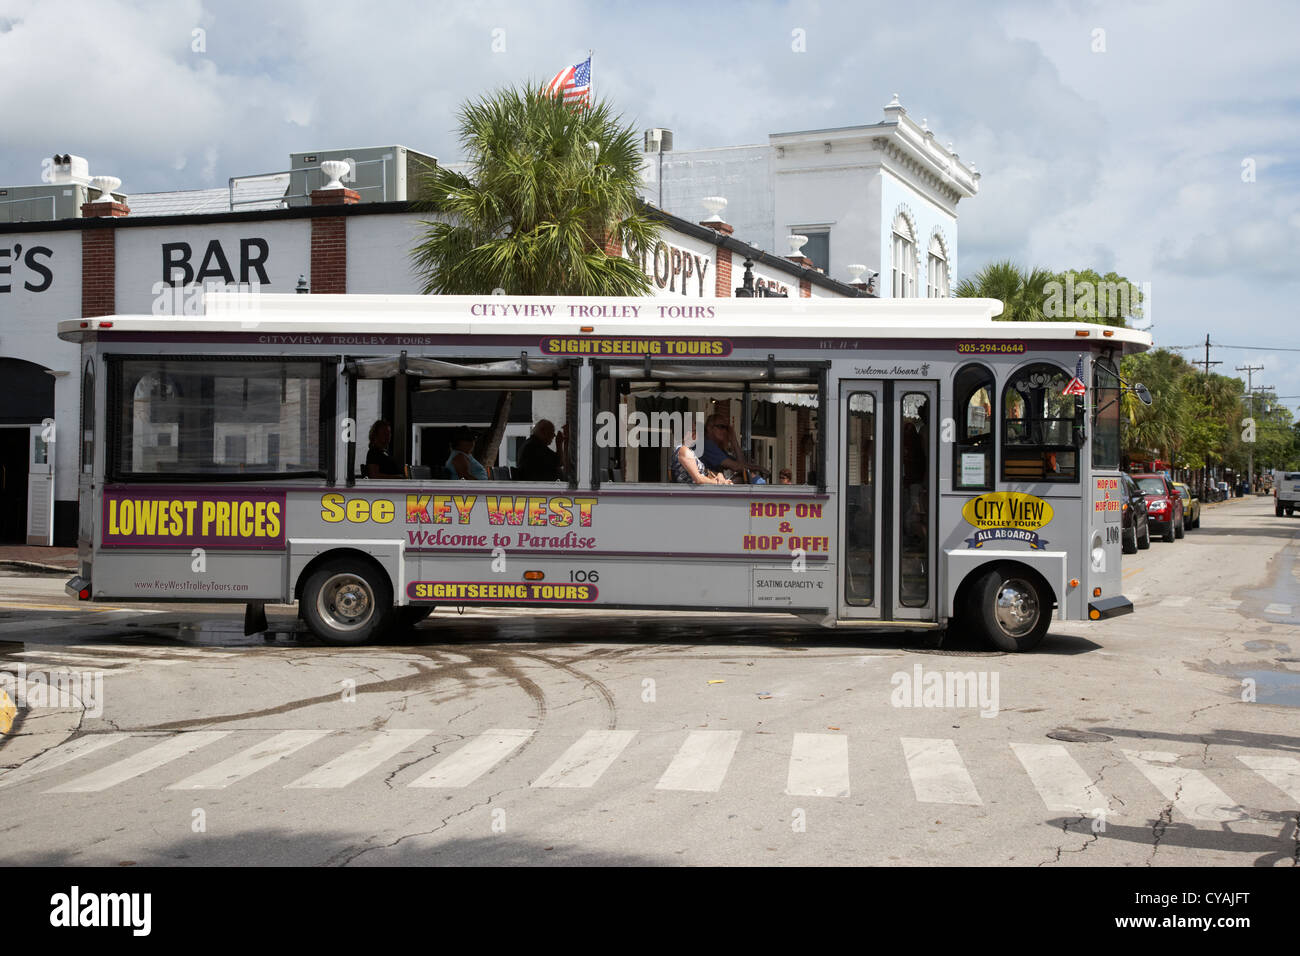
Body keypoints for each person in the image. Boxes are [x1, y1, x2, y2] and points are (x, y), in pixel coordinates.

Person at [701, 414, 765, 482]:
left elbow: (741, 464)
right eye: (721, 427)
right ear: (709, 428)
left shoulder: (718, 449)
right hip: (701, 489)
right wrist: (759, 468)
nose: (724, 431)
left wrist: (733, 440)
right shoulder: (707, 445)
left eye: (727, 428)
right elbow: (737, 466)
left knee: (748, 477)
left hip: (711, 487)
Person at [672, 419, 731, 485]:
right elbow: (698, 479)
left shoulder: (687, 450)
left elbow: (705, 473)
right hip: (692, 494)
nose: (697, 434)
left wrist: (719, 475)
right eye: (695, 431)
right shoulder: (684, 451)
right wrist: (721, 483)